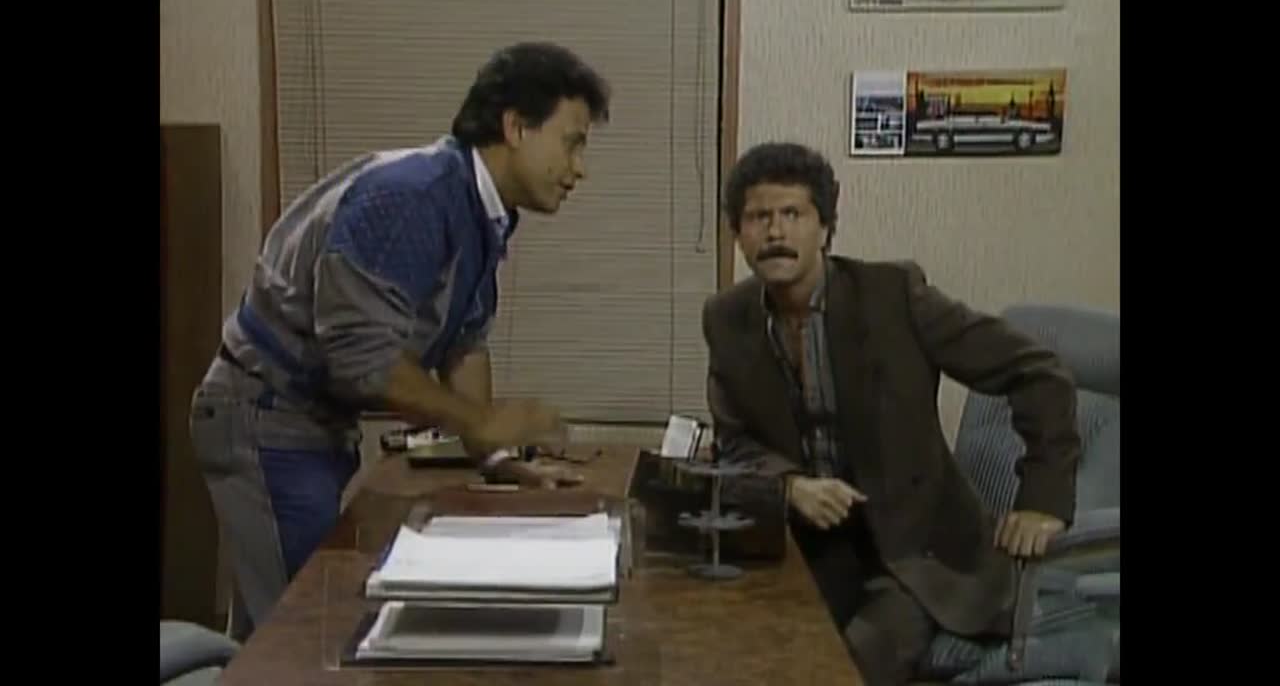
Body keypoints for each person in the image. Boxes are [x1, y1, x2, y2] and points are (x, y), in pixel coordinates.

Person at [189, 41, 611, 640]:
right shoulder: (412, 197)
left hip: (309, 425)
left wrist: (494, 455)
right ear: (516, 127)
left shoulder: (481, 210)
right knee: (305, 636)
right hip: (266, 416)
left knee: (280, 624)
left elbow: (464, 341)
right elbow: (362, 361)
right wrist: (482, 422)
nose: (579, 168)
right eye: (572, 143)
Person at [702, 142, 1081, 685]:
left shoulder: (893, 296)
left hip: (919, 554)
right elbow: (735, 442)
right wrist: (789, 486)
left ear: (825, 229)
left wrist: (1043, 499)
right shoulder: (727, 318)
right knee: (736, 648)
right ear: (738, 234)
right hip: (811, 546)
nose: (776, 232)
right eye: (759, 217)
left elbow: (1038, 372)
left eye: (793, 214)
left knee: (845, 665)